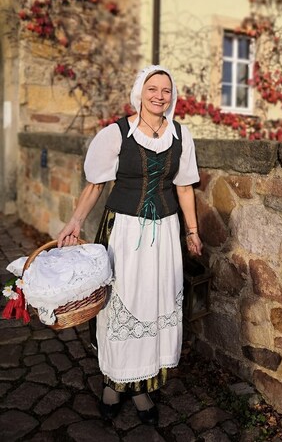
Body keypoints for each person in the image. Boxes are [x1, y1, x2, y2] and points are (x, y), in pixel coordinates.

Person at [57, 65, 202, 425]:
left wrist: (192, 231)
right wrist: (74, 222)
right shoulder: (115, 134)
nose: (159, 95)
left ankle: (143, 386)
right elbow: (95, 186)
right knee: (120, 302)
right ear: (139, 92)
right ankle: (114, 383)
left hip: (165, 234)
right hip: (123, 231)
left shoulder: (181, 136)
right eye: (152, 88)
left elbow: (183, 187)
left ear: (173, 95)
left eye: (166, 90)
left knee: (157, 302)